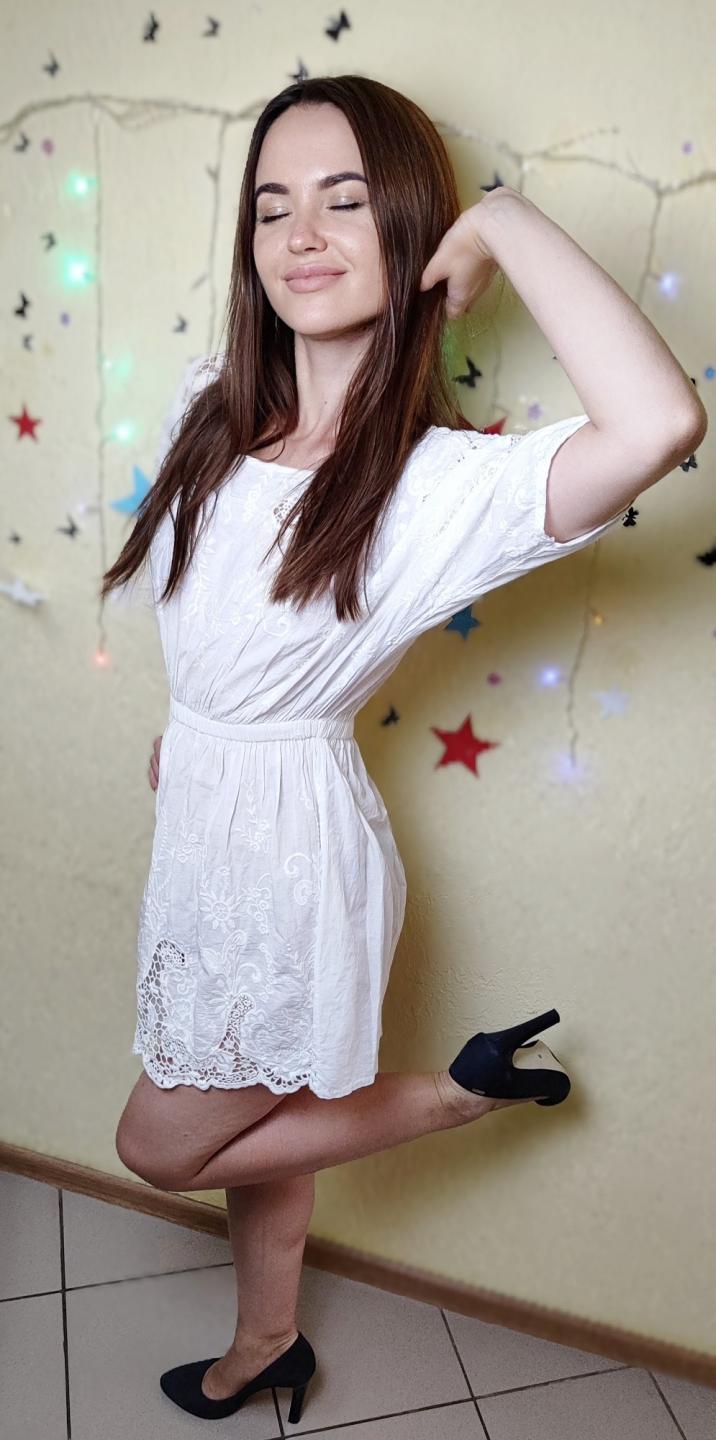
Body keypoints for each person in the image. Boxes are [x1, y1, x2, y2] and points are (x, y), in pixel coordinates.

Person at [101, 75, 705, 1424]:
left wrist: (506, 221)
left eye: (346, 199)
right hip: (204, 821)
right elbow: (222, 623)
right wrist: (192, 735)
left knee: (161, 1146)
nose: (303, 235)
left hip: (290, 859)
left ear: (412, 225)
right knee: (258, 1130)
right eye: (273, 207)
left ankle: (452, 1095)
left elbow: (661, 423)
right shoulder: (211, 405)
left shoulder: (438, 489)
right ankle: (267, 1341)